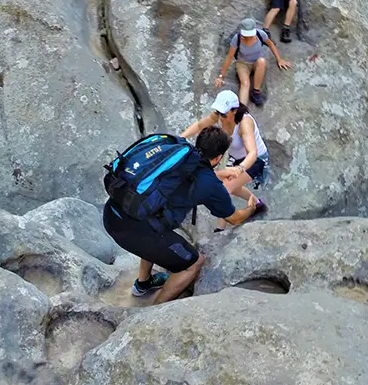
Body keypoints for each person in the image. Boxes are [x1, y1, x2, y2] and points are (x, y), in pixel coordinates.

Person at [102, 127, 258, 303]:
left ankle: (143, 284)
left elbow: (187, 178)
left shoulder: (179, 151)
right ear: (218, 158)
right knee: (193, 263)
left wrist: (219, 175)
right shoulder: (211, 186)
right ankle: (154, 313)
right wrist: (251, 207)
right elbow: (235, 218)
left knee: (154, 221)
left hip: (113, 213)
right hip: (133, 232)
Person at [182, 91, 270, 228]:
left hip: (255, 159)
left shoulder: (244, 123)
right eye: (218, 112)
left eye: (224, 114)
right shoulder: (218, 116)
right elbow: (199, 126)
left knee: (224, 188)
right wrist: (181, 139)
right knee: (231, 185)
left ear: (235, 111)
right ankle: (257, 203)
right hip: (236, 157)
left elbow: (252, 152)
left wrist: (240, 169)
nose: (220, 117)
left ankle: (220, 228)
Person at [214, 17, 291, 106]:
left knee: (262, 61)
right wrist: (221, 76)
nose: (248, 36)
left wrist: (279, 59)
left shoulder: (260, 34)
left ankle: (256, 92)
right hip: (242, 64)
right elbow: (229, 57)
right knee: (245, 83)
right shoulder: (237, 38)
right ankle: (242, 110)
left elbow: (271, 44)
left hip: (256, 62)